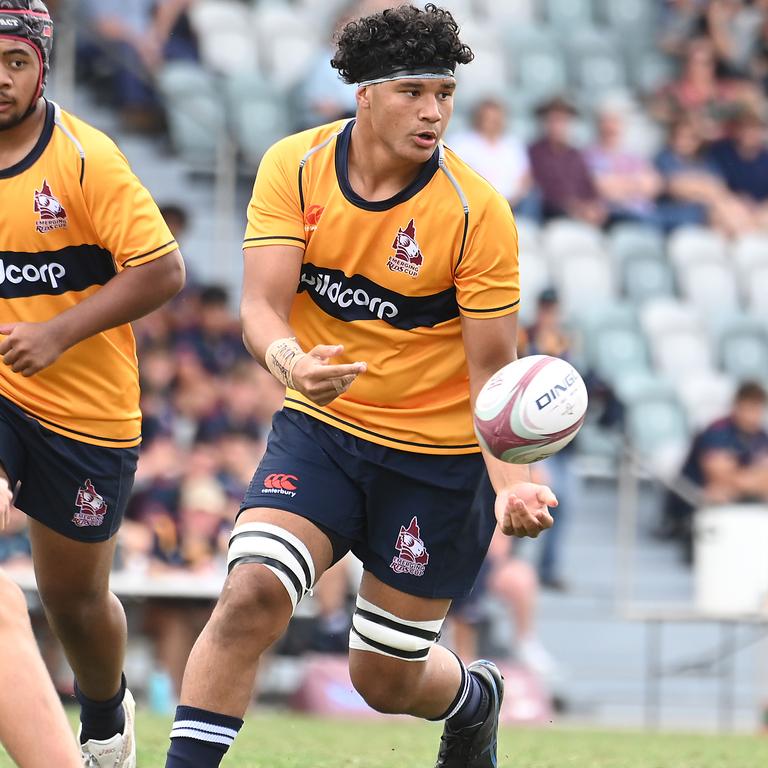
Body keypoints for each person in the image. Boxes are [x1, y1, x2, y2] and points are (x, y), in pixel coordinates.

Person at [164, 5, 557, 768]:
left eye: (444, 92)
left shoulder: (479, 213)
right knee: (250, 595)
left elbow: (493, 373)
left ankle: (474, 700)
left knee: (382, 678)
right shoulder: (295, 166)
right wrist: (291, 366)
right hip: (324, 433)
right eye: (413, 90)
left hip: (436, 464)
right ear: (364, 95)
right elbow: (260, 308)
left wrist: (513, 484)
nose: (434, 110)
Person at [0, 2, 185, 765]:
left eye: (16, 62)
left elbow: (164, 270)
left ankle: (106, 717)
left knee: (77, 602)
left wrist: (56, 332)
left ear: (43, 67)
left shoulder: (85, 157)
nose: (1, 78)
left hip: (86, 414)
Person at [660, 381, 768, 563]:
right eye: (750, 408)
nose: (753, 416)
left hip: (736, 495)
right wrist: (752, 479)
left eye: (758, 409)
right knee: (718, 493)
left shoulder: (761, 435)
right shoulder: (718, 430)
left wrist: (744, 480)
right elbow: (718, 476)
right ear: (737, 406)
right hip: (693, 500)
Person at [528, 96, 608, 226]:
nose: (557, 126)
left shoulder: (575, 155)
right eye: (553, 120)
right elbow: (544, 192)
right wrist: (577, 208)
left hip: (583, 214)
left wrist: (595, 207)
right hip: (553, 215)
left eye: (562, 121)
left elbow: (589, 187)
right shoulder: (535, 153)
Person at [448, 98, 534, 214]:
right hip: (472, 206)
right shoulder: (462, 142)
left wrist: (508, 203)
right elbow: (453, 175)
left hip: (512, 207)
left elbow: (525, 178)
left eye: (495, 119)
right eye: (487, 119)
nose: (492, 123)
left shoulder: (513, 144)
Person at [585, 103, 663, 228]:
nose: (610, 127)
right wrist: (635, 183)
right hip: (613, 216)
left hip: (643, 215)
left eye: (615, 122)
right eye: (606, 121)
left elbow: (653, 185)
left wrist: (618, 183)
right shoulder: (590, 156)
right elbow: (602, 188)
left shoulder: (634, 156)